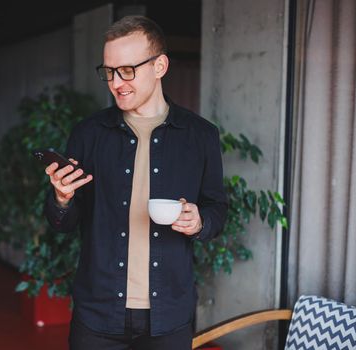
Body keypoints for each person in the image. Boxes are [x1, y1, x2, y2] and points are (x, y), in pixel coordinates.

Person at [43, 15, 228, 350]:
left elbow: (218, 210)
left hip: (169, 314)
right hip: (97, 313)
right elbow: (62, 224)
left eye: (128, 70)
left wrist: (200, 220)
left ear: (160, 66)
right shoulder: (88, 134)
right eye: (110, 72)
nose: (116, 82)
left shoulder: (201, 136)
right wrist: (61, 197)